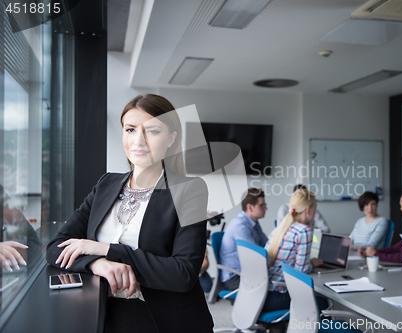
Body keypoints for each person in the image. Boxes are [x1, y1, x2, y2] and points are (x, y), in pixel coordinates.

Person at [46, 94, 213, 333]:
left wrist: (106, 250)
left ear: (171, 139)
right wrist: (97, 263)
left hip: (163, 320)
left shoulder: (189, 190)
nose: (139, 140)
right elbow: (56, 246)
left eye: (153, 131)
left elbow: (183, 273)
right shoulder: (106, 184)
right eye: (130, 129)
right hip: (103, 311)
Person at [263, 188, 325, 312]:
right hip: (279, 295)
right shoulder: (304, 231)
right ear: (308, 210)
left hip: (263, 294)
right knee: (323, 302)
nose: (315, 212)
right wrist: (312, 263)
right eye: (315, 208)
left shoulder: (280, 228)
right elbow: (300, 273)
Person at [219, 188, 268, 290]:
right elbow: (256, 257)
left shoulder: (253, 222)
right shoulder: (240, 226)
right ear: (250, 207)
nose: (266, 208)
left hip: (247, 272)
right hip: (235, 278)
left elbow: (267, 244)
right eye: (262, 205)